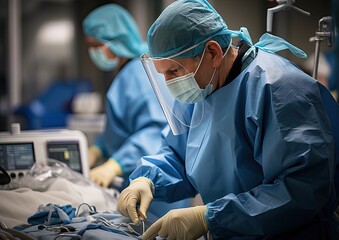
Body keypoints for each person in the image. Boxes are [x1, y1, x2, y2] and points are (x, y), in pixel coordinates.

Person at [117, 0, 339, 239]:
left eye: (174, 71)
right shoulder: (203, 88)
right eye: (163, 75)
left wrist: (212, 216)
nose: (171, 84)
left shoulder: (278, 90)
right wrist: (147, 179)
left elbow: (302, 187)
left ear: (213, 52)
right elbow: (180, 155)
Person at [82, 3, 190, 219]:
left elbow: (154, 129)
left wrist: (114, 164)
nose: (93, 52)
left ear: (115, 41)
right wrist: (99, 148)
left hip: (155, 189)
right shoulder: (129, 71)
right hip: (139, 182)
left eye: (97, 45)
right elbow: (123, 126)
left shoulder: (139, 73)